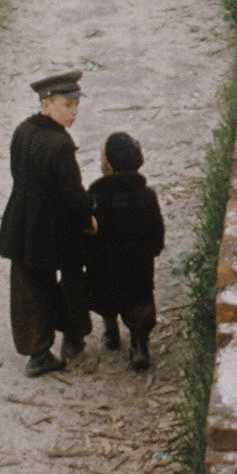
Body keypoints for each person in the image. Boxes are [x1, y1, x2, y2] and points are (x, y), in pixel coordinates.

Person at [0, 67, 93, 376]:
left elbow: (16, 171)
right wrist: (87, 216)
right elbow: (72, 192)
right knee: (72, 278)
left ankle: (38, 351)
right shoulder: (60, 145)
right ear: (46, 103)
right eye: (67, 105)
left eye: (76, 105)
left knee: (27, 285)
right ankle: (73, 337)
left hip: (22, 222)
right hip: (57, 227)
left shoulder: (23, 130)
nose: (73, 112)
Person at [86, 131, 165, 373]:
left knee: (105, 299)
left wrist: (88, 255)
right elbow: (157, 231)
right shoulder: (146, 196)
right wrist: (152, 249)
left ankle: (111, 332)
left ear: (107, 164)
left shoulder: (96, 197)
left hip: (103, 266)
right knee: (139, 304)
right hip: (137, 266)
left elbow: (89, 232)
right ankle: (139, 345)